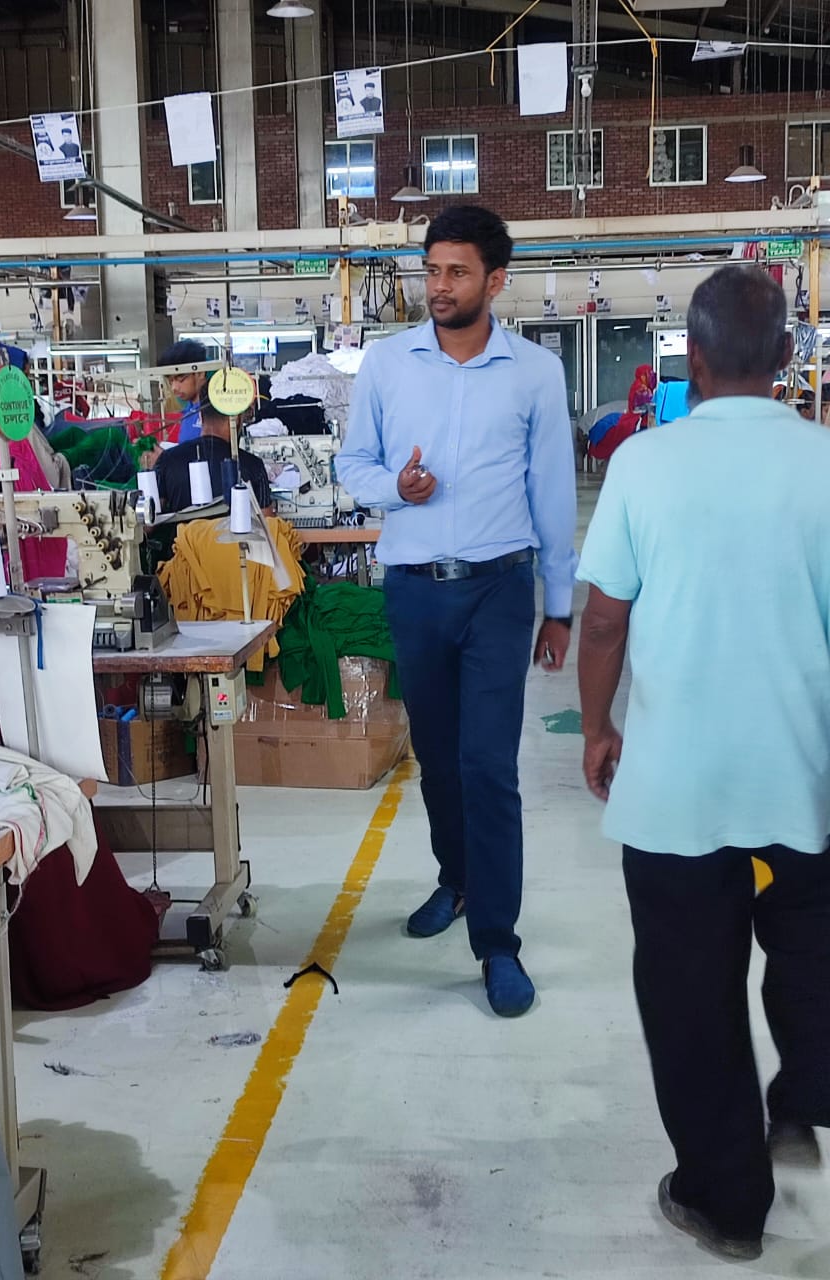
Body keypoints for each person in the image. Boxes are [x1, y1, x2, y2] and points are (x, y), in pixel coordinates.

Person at [576, 264, 830, 1262]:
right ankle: (805, 1098)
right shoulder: (824, 460)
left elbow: (605, 621)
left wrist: (598, 726)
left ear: (689, 355)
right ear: (786, 356)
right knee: (814, 949)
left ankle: (725, 1203)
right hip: (805, 776)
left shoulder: (644, 464)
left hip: (677, 789)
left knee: (690, 993)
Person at [335, 205, 576, 1018]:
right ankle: (458, 879)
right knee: (438, 760)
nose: (439, 286)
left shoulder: (535, 373)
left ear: (495, 280)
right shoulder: (388, 363)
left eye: (457, 272)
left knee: (489, 767)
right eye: (432, 270)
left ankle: (498, 942)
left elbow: (552, 492)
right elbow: (353, 463)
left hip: (501, 590)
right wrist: (393, 489)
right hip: (413, 587)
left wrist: (560, 606)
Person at [155, 398, 272, 514]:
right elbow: (268, 521)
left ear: (200, 416)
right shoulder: (254, 465)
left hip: (179, 527)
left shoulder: (167, 459)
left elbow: (152, 517)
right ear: (236, 419)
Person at [159, 339, 209, 443]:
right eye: (171, 381)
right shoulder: (189, 410)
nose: (174, 388)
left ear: (200, 373)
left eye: (180, 379)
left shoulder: (212, 412)